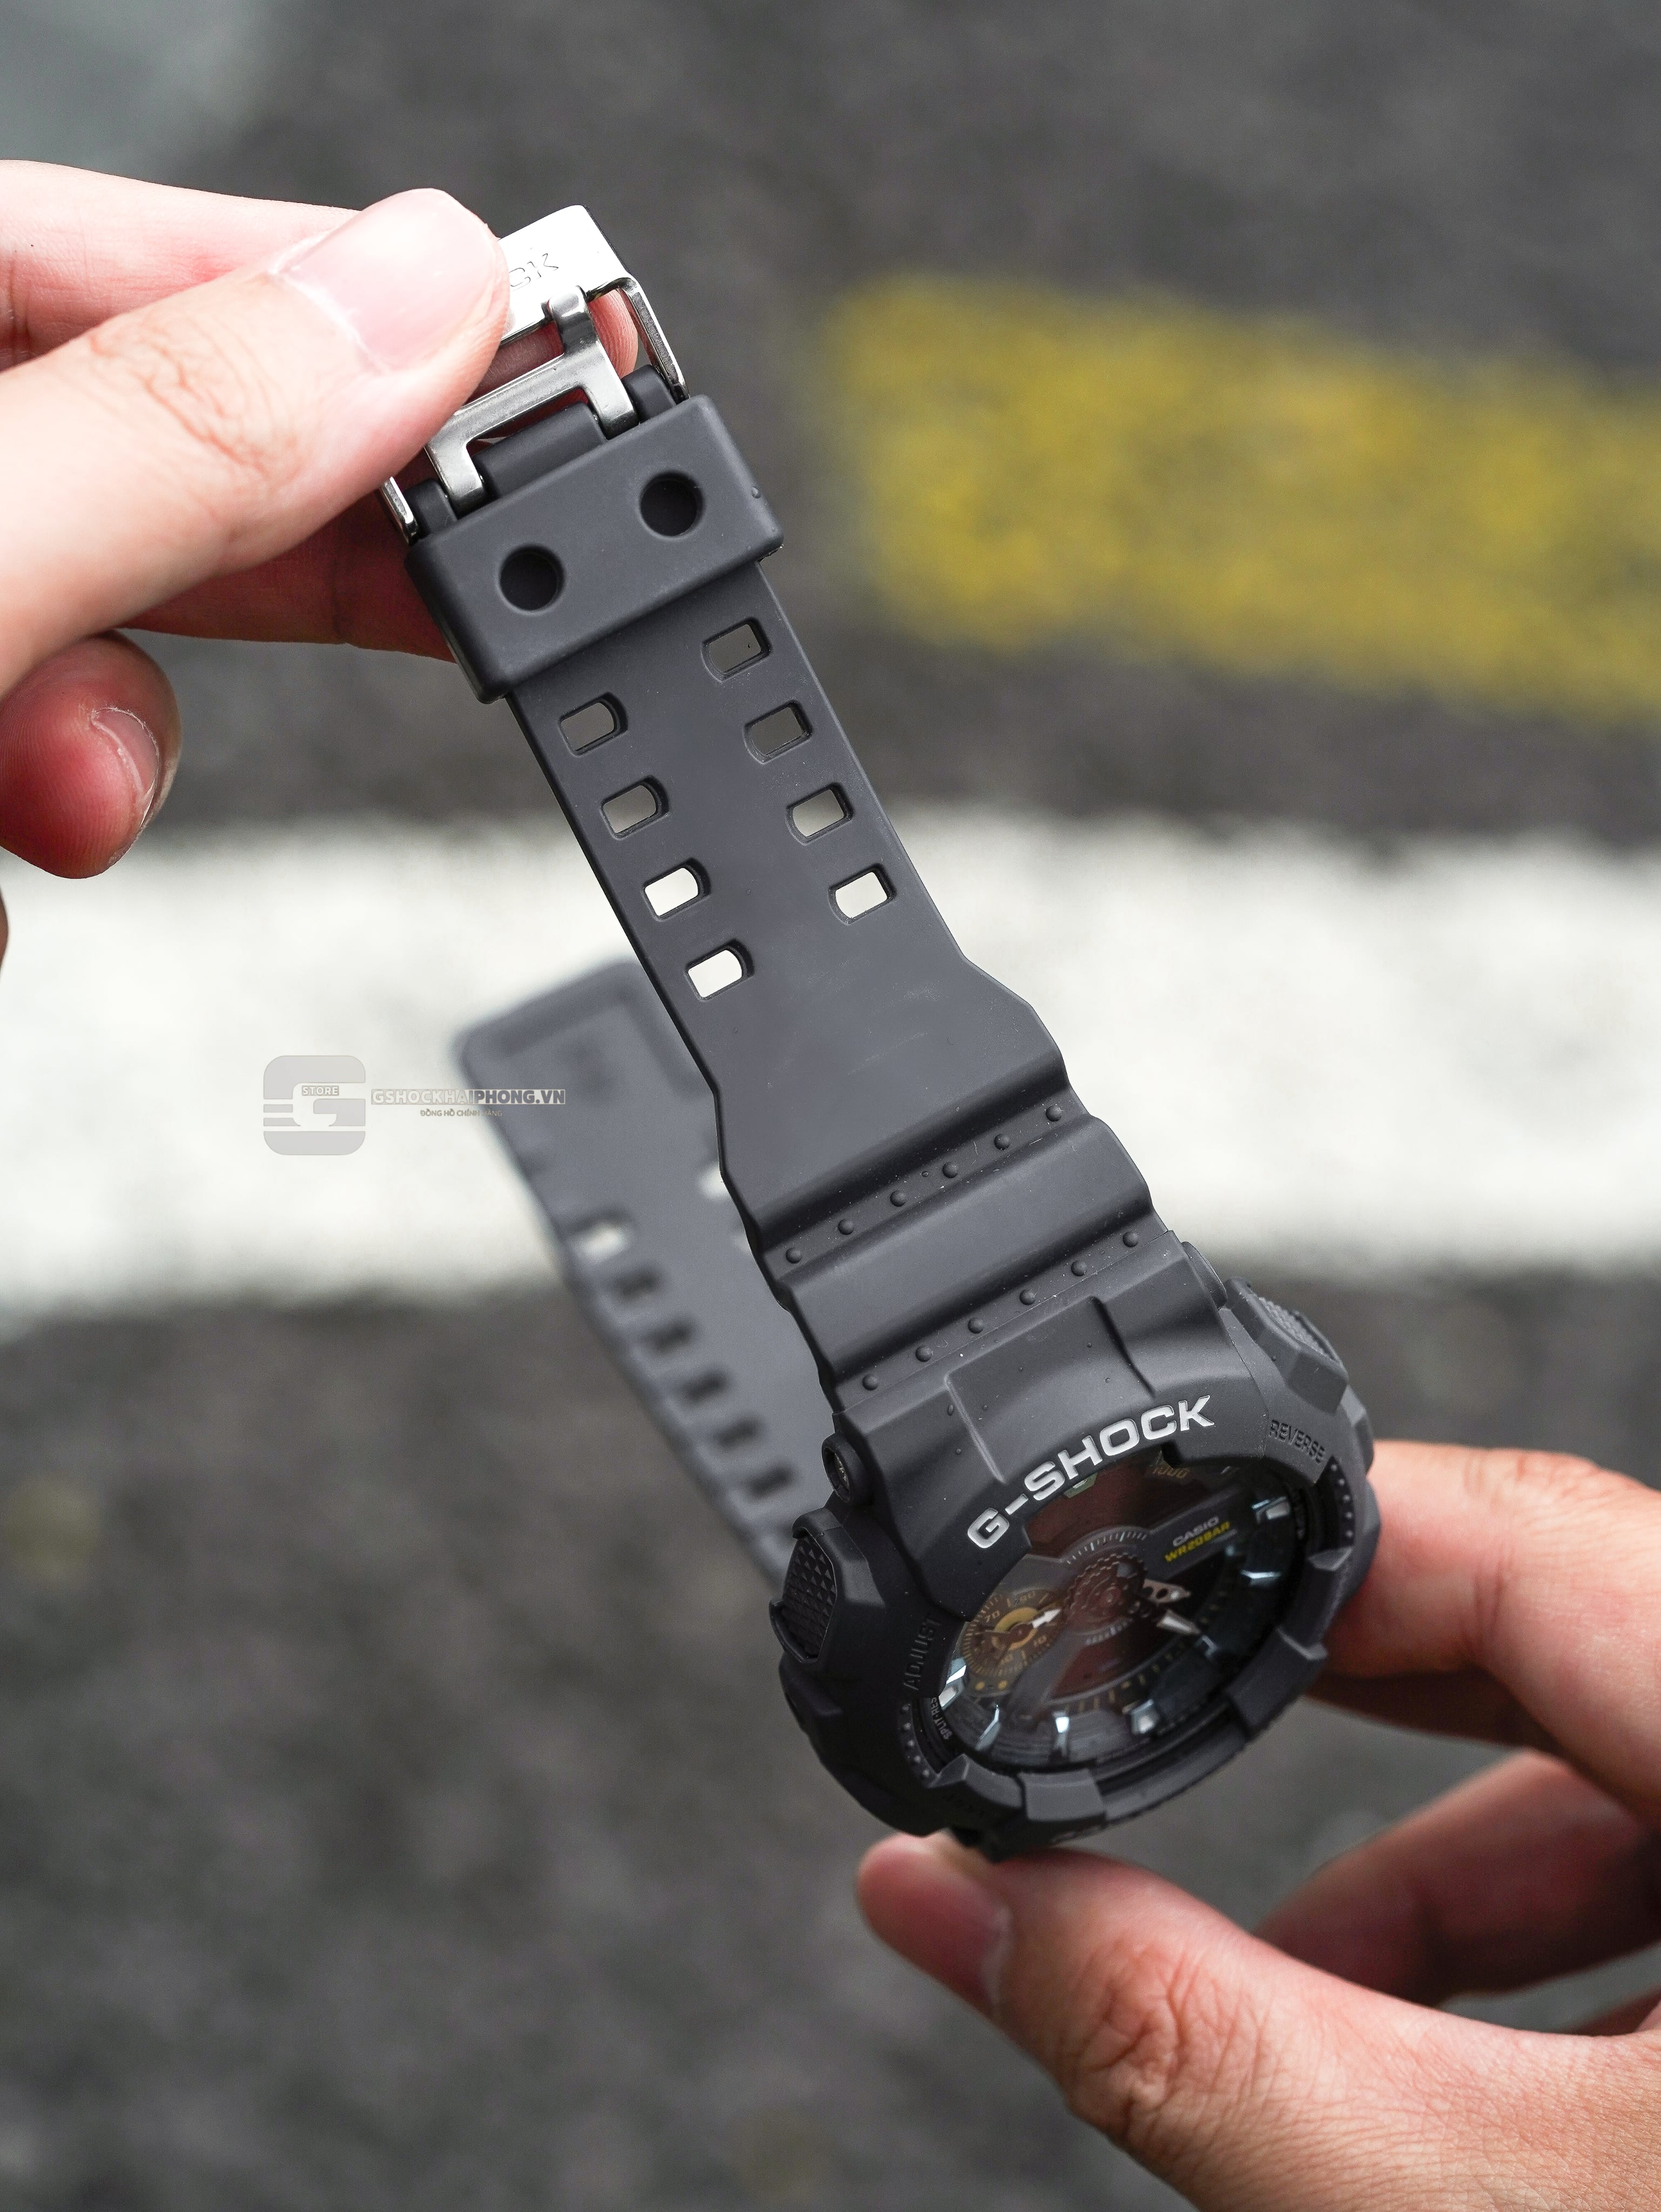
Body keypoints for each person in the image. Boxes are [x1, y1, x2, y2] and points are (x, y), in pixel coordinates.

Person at [4, 166, 1657, 2208]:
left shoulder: (1227, 1464)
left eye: (1089, 1601)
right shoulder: (1208, 1480)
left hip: (1073, 1418)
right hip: (1042, 1351)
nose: (1109, 1592)